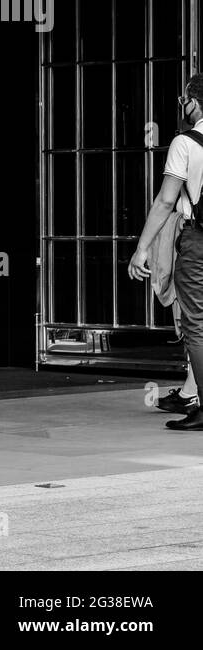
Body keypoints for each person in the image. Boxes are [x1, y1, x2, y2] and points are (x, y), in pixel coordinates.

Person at [129, 74, 203, 431]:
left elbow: (165, 200)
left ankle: (201, 401)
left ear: (194, 102)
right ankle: (192, 392)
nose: (182, 107)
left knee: (197, 324)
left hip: (198, 241)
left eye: (182, 101)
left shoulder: (185, 143)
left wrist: (142, 249)